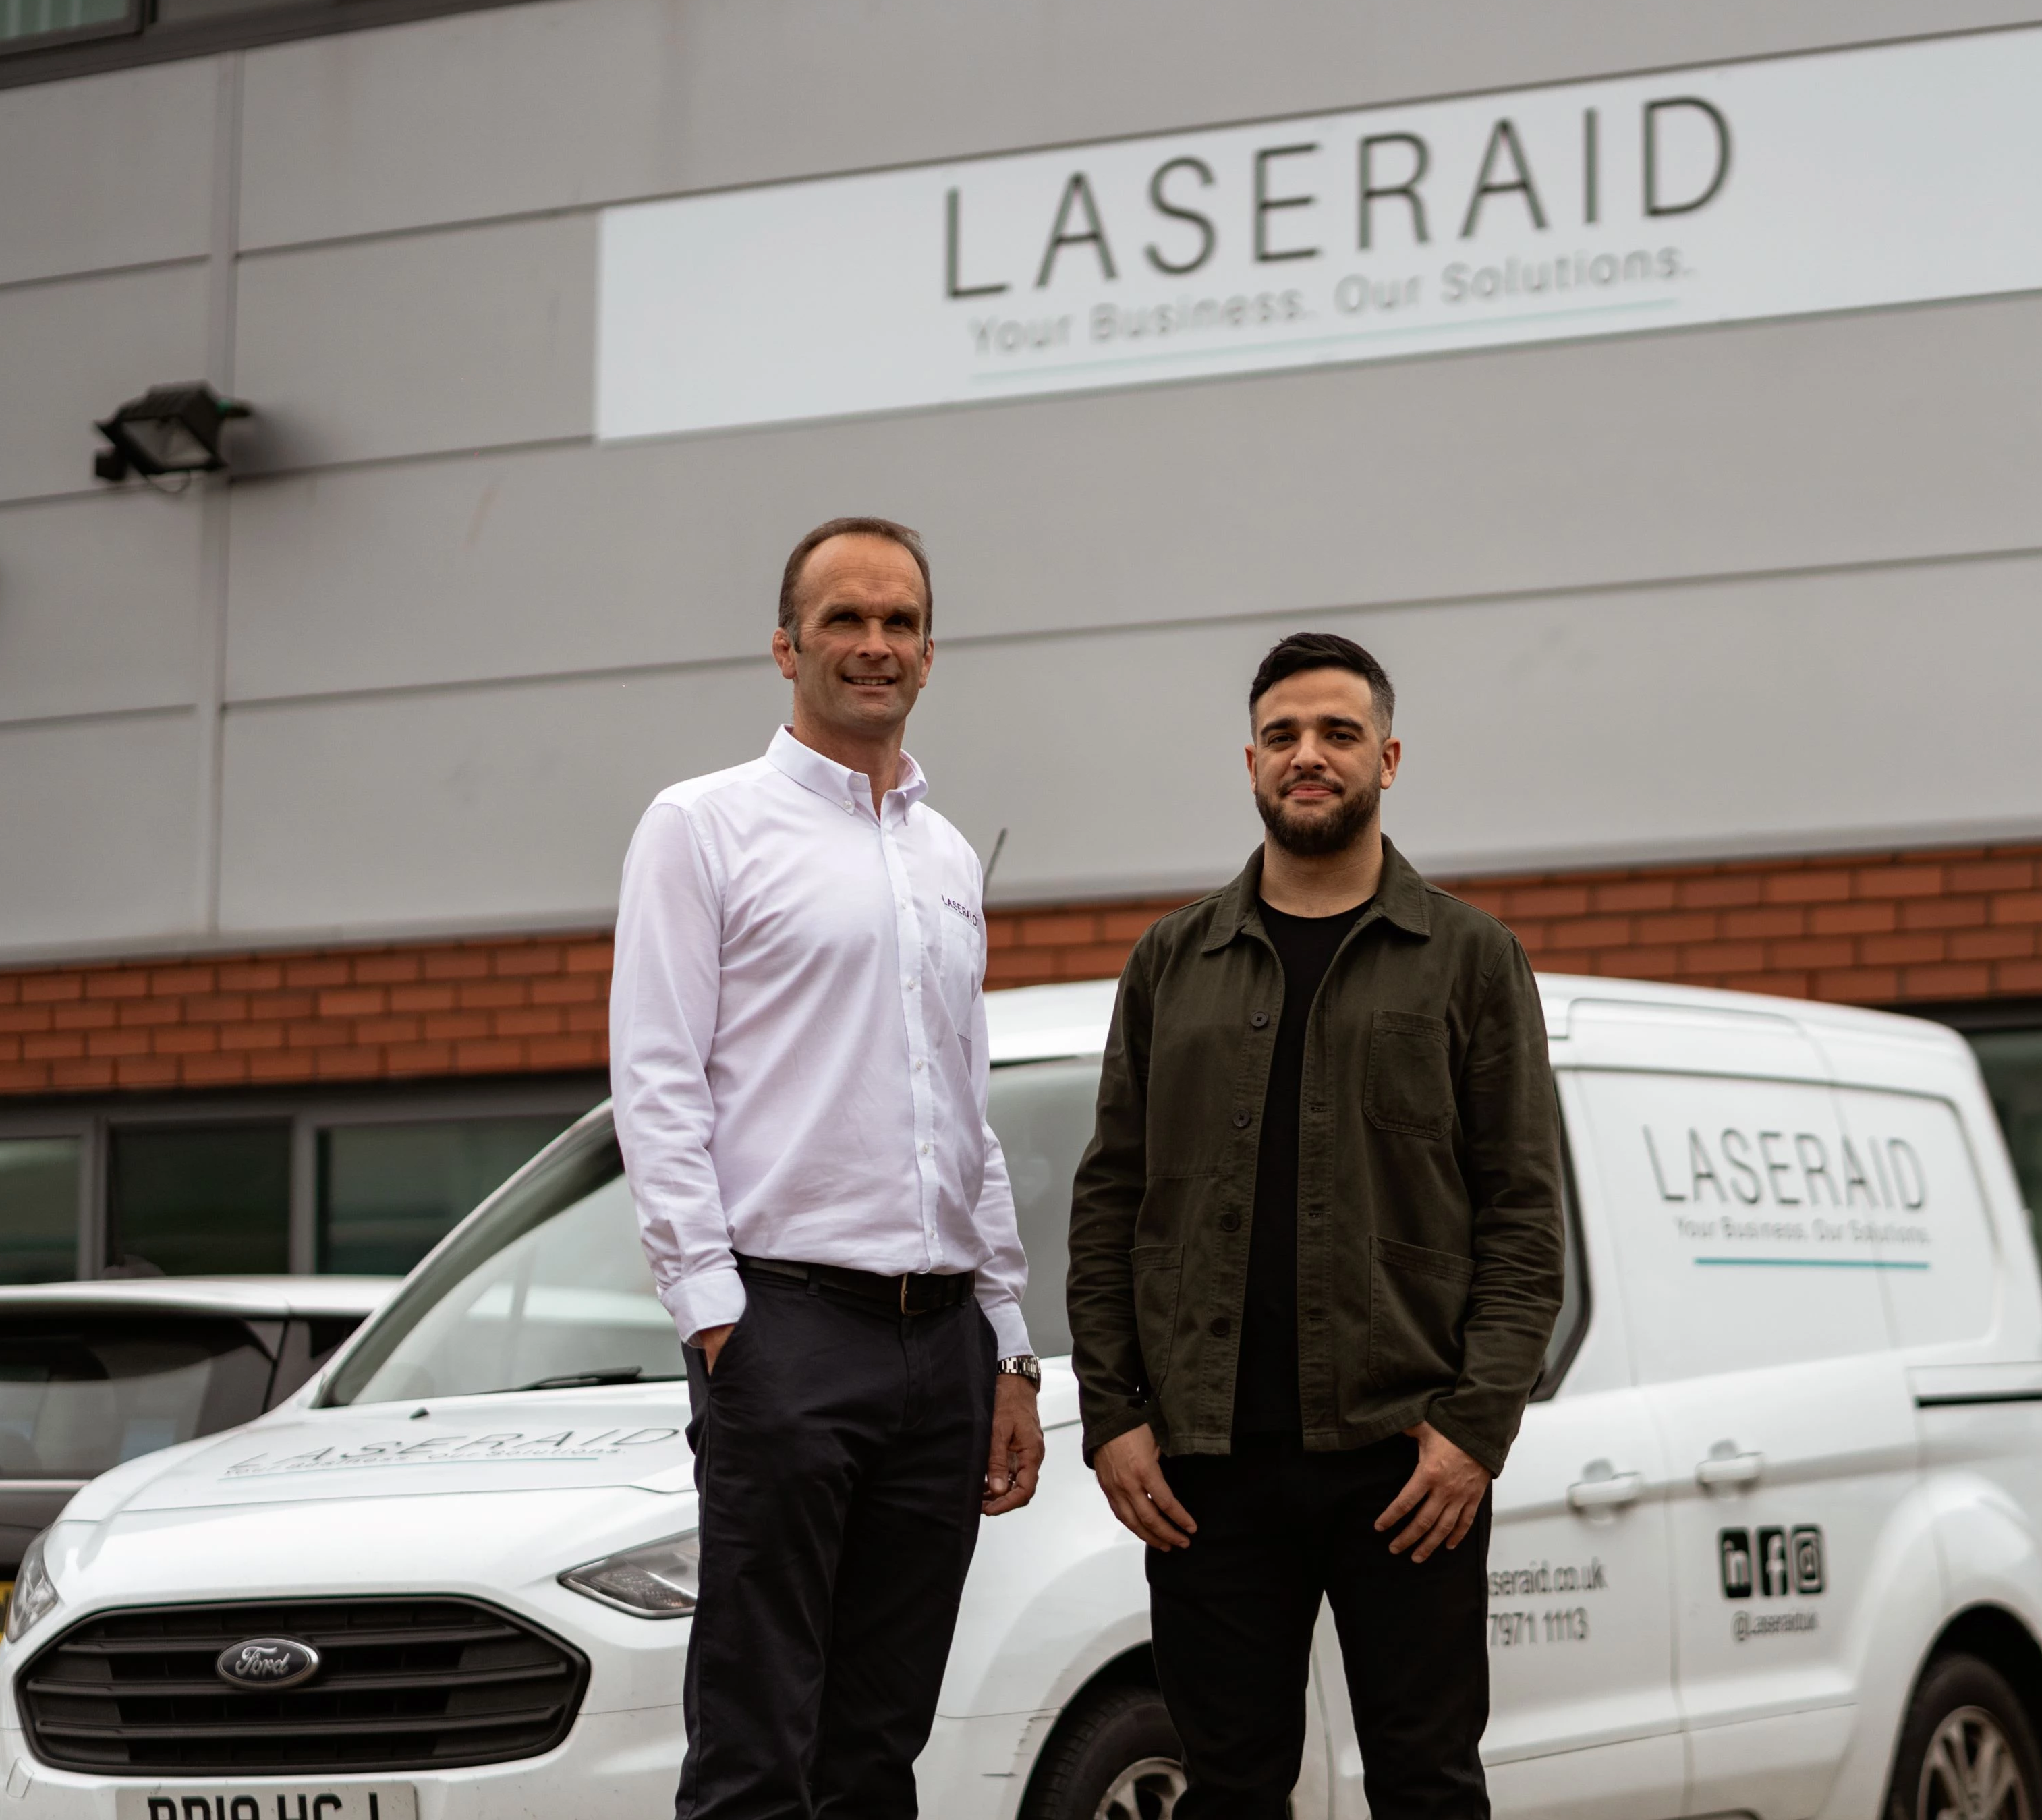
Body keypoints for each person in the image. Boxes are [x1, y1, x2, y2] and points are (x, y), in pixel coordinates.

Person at [1066, 631, 1564, 1820]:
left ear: (1388, 757)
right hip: (1206, 1471)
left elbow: (1524, 1219)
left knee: (1428, 1784)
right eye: (1284, 735)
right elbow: (1109, 1201)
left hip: (1407, 1462)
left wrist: (1472, 1433)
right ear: (1249, 761)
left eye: (1338, 734)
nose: (1310, 756)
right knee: (1229, 1787)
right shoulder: (1171, 963)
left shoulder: (1471, 961)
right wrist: (1116, 1418)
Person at [608, 516, 1046, 1820]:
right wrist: (716, 1314)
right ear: (786, 645)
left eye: (899, 622)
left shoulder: (946, 855)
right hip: (784, 1329)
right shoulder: (702, 827)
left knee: (876, 1751)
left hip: (941, 1350)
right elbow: (657, 1075)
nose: (873, 645)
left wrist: (1009, 1342)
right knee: (756, 1747)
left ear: (930, 652)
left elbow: (962, 1105)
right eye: (845, 620)